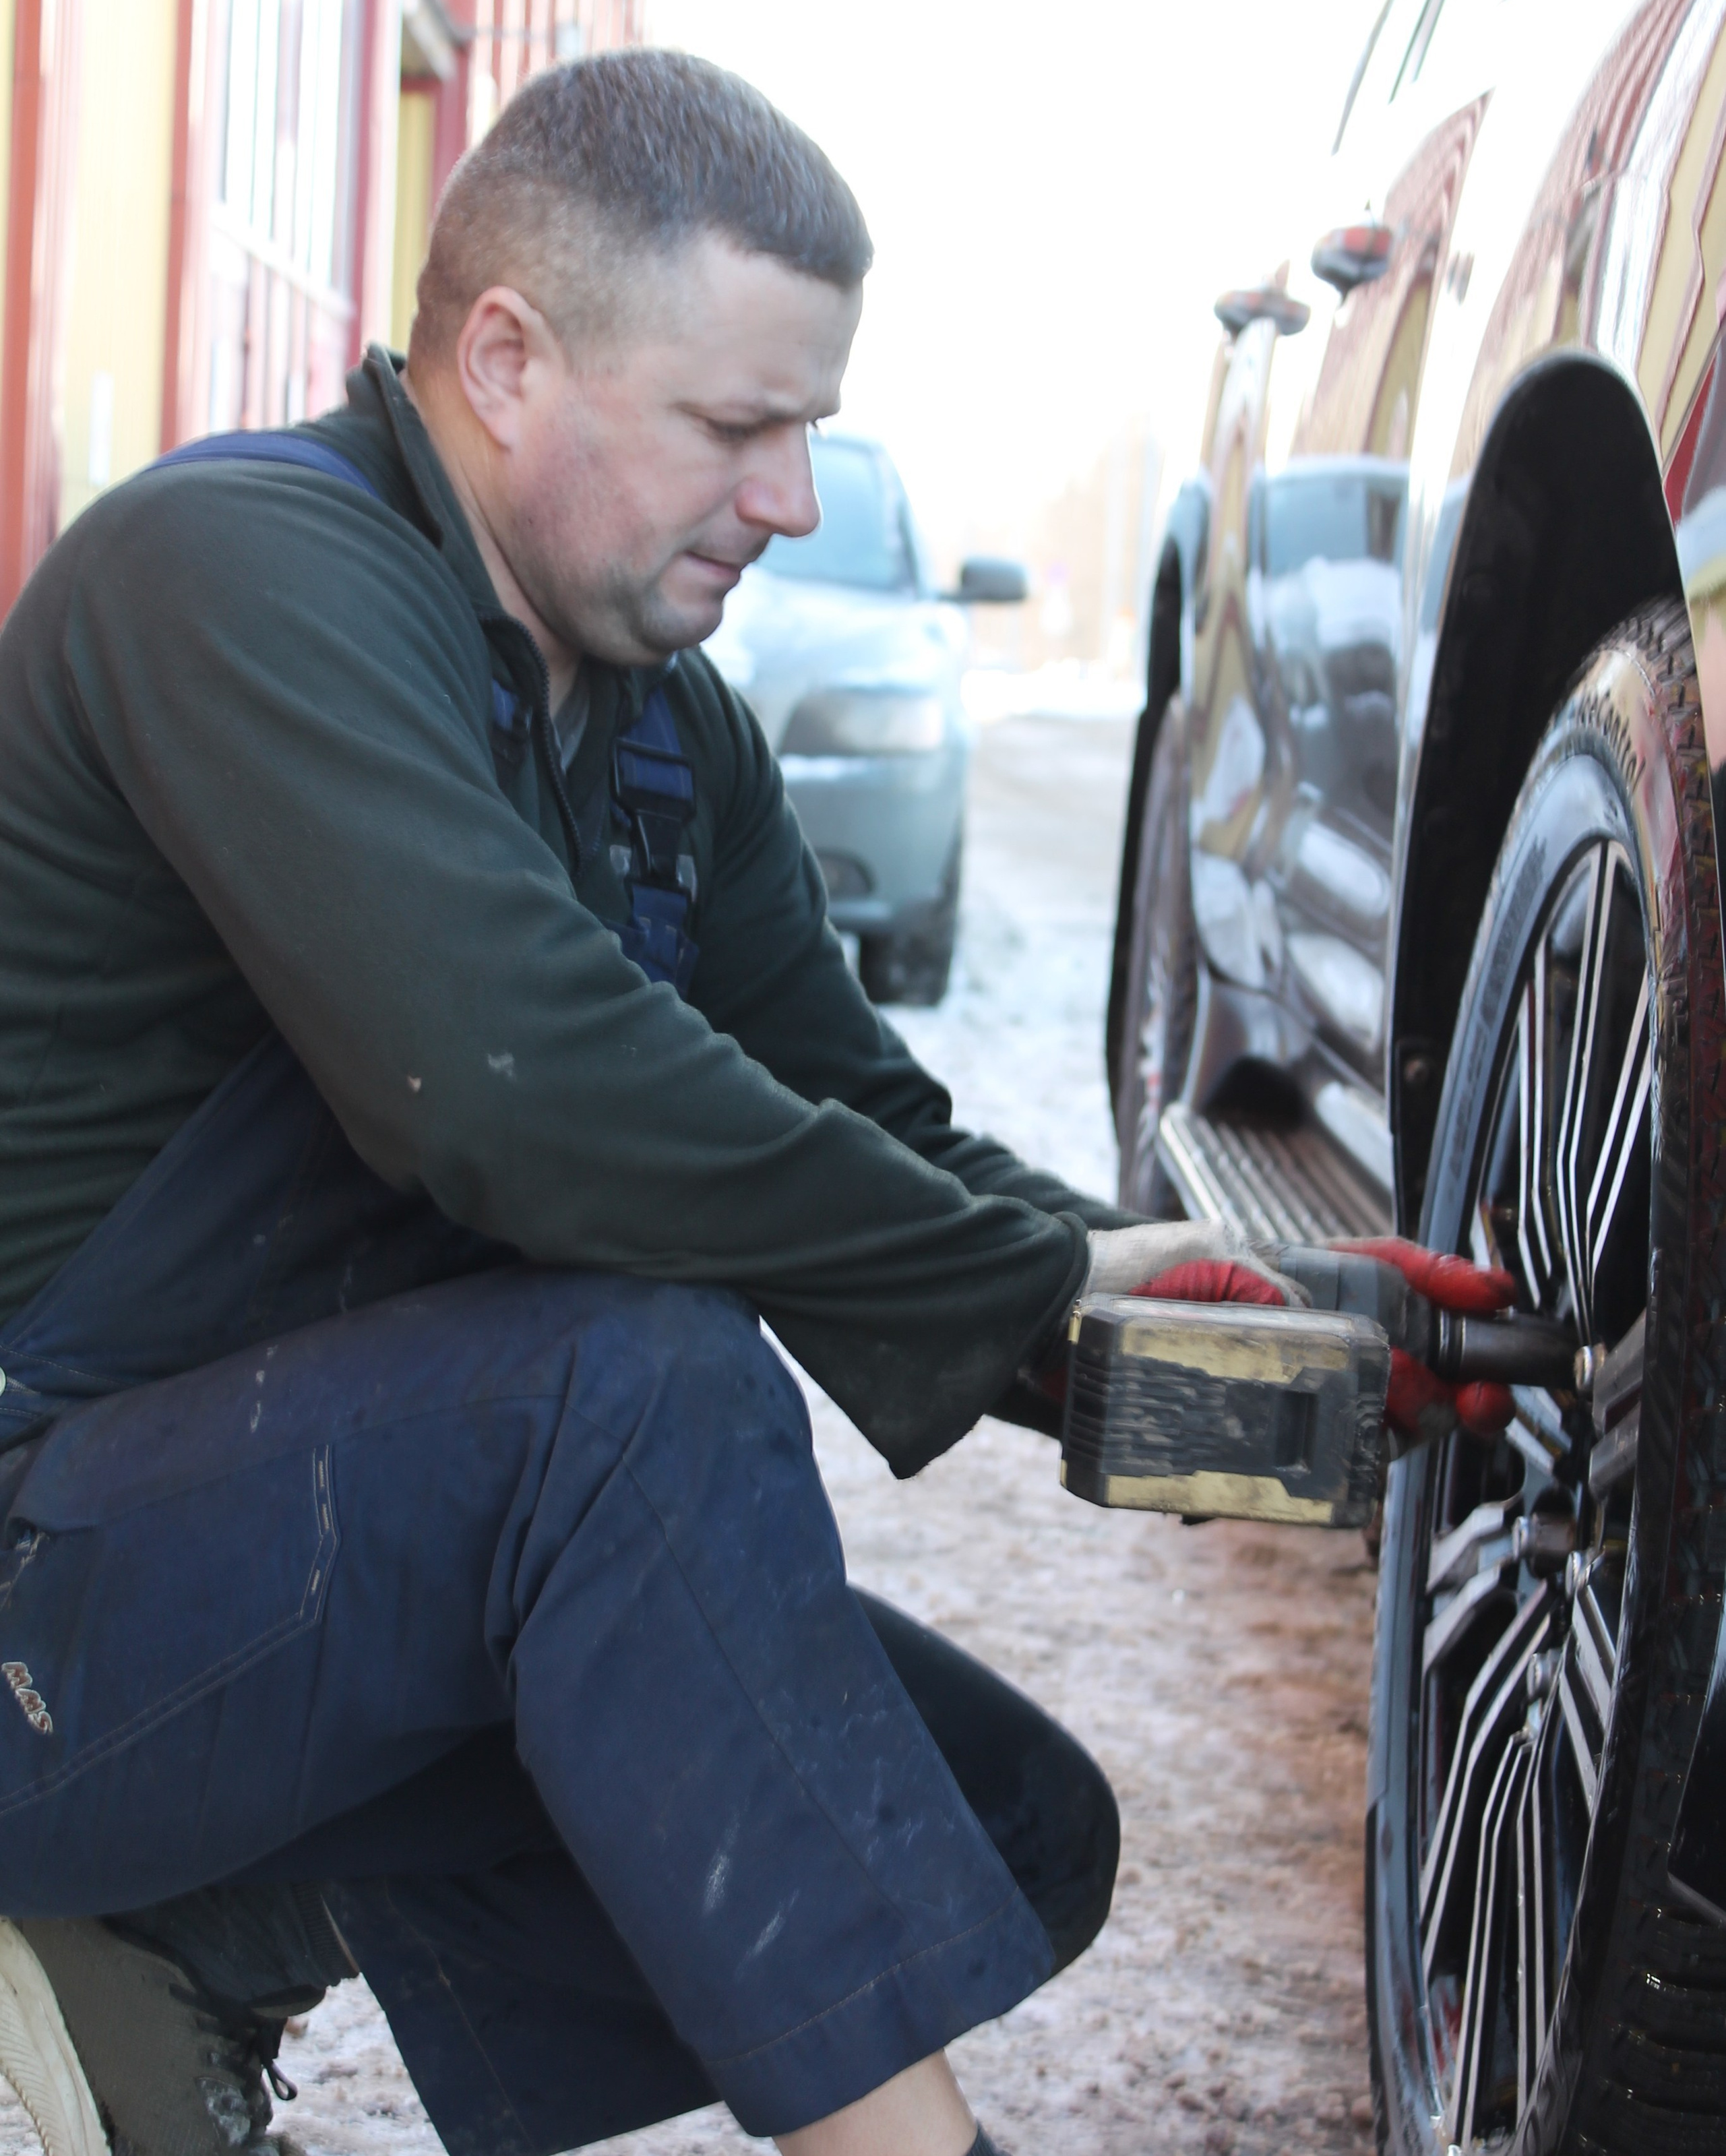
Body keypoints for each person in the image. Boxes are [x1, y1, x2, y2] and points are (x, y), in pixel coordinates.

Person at [0, 49, 1508, 2156]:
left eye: (809, 425)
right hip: (38, 1596)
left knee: (972, 1828)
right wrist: (1020, 1285)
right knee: (637, 1388)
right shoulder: (240, 578)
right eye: (737, 424)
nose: (792, 498)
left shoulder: (657, 741)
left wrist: (1167, 1303)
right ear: (505, 360)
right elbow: (514, 1093)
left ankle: (152, 1951)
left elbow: (861, 1125)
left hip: (252, 1571)